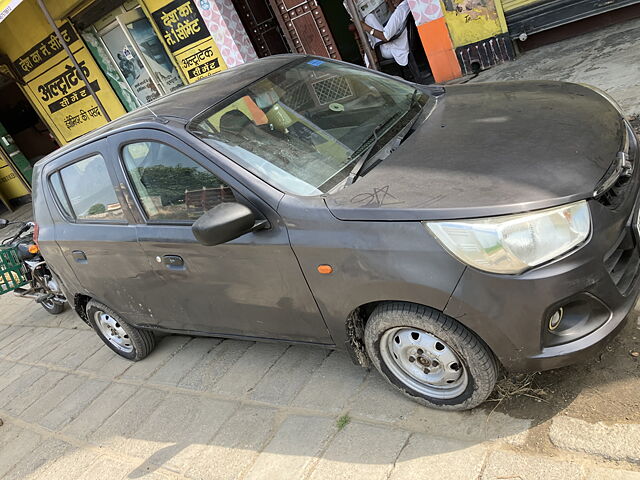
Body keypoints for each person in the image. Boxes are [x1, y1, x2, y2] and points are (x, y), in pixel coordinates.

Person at [360, 0, 411, 68]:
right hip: (401, 44)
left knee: (369, 19)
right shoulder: (406, 6)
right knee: (370, 18)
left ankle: (371, 65)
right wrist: (389, 3)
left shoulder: (400, 11)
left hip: (395, 50)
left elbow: (385, 37)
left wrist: (365, 27)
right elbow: (396, 16)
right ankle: (371, 56)